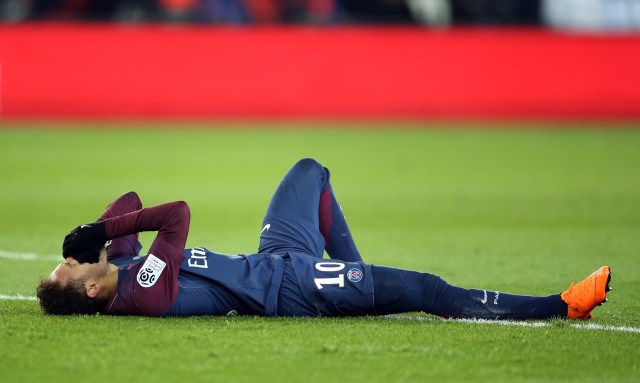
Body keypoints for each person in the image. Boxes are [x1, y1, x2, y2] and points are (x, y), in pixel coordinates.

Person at [37, 158, 611, 320]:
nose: (69, 260)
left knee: (310, 174)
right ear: (90, 293)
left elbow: (129, 203)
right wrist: (104, 234)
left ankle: (361, 279)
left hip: (276, 260)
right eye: (68, 268)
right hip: (290, 289)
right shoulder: (139, 292)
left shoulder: (120, 267)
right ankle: (562, 306)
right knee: (428, 289)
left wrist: (97, 233)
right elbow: (176, 216)